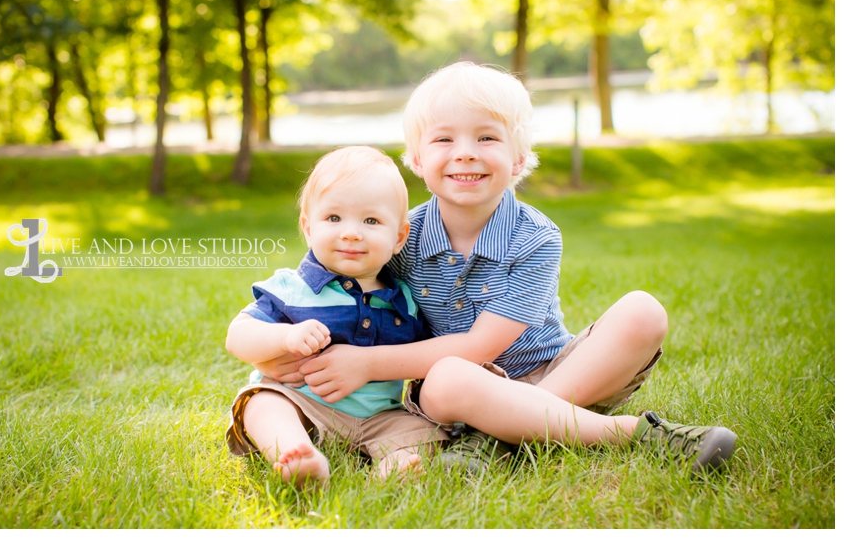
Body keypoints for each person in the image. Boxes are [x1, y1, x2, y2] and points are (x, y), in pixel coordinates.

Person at [255, 62, 737, 476]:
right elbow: (330, 288)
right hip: (457, 391)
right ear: (418, 159)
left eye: (487, 137)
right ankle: (631, 435)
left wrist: (364, 365)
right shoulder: (400, 235)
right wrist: (288, 350)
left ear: (518, 158)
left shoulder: (536, 237)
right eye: (444, 139)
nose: (465, 151)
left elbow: (481, 345)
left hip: (559, 373)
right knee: (448, 376)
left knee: (643, 311)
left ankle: (499, 434)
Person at [225, 146, 448, 488]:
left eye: (371, 221)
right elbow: (238, 336)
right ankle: (297, 453)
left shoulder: (404, 299)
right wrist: (284, 337)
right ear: (308, 227)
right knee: (263, 402)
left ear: (399, 237)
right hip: (304, 406)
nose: (352, 233)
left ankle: (395, 465)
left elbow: (424, 358)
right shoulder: (292, 287)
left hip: (380, 417)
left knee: (421, 430)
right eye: (333, 218)